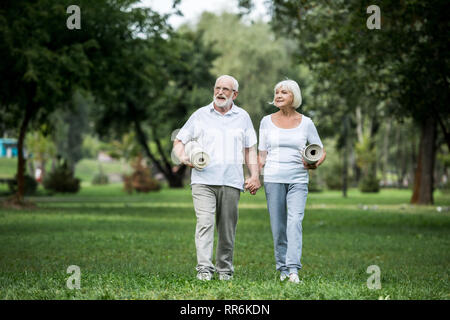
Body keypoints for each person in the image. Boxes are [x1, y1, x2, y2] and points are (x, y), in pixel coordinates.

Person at [173, 75, 260, 281]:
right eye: (217, 88)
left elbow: (250, 150)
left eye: (226, 89)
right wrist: (183, 156)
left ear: (234, 94)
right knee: (205, 223)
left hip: (231, 181)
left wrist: (254, 175)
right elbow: (179, 141)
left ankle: (224, 270)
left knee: (227, 228)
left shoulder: (243, 117)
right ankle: (204, 269)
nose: (220, 92)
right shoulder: (200, 115)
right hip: (203, 180)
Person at [258, 79, 326, 283]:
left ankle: (293, 269)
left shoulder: (306, 122)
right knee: (278, 226)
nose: (278, 95)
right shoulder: (265, 121)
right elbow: (261, 154)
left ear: (294, 97)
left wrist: (314, 164)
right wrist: (254, 176)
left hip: (298, 178)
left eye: (284, 92)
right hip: (273, 178)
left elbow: (319, 150)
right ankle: (282, 269)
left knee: (294, 221)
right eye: (277, 92)